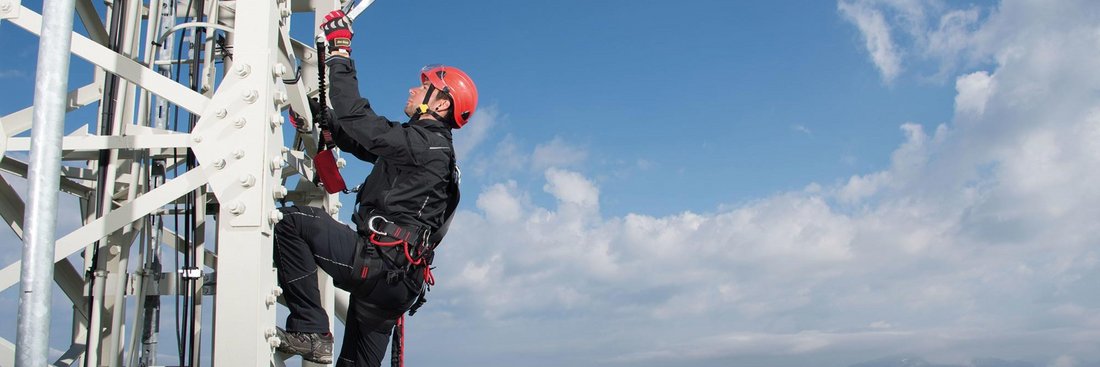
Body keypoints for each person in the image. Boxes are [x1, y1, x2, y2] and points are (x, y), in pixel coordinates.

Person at [272, 9, 477, 366]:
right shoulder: (428, 147)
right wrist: (331, 124)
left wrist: (339, 52)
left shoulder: (426, 145)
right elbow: (367, 143)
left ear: (441, 103)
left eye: (424, 86)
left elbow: (358, 118)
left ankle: (310, 328)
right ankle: (313, 331)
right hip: (398, 282)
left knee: (293, 226)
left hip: (380, 264)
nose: (414, 88)